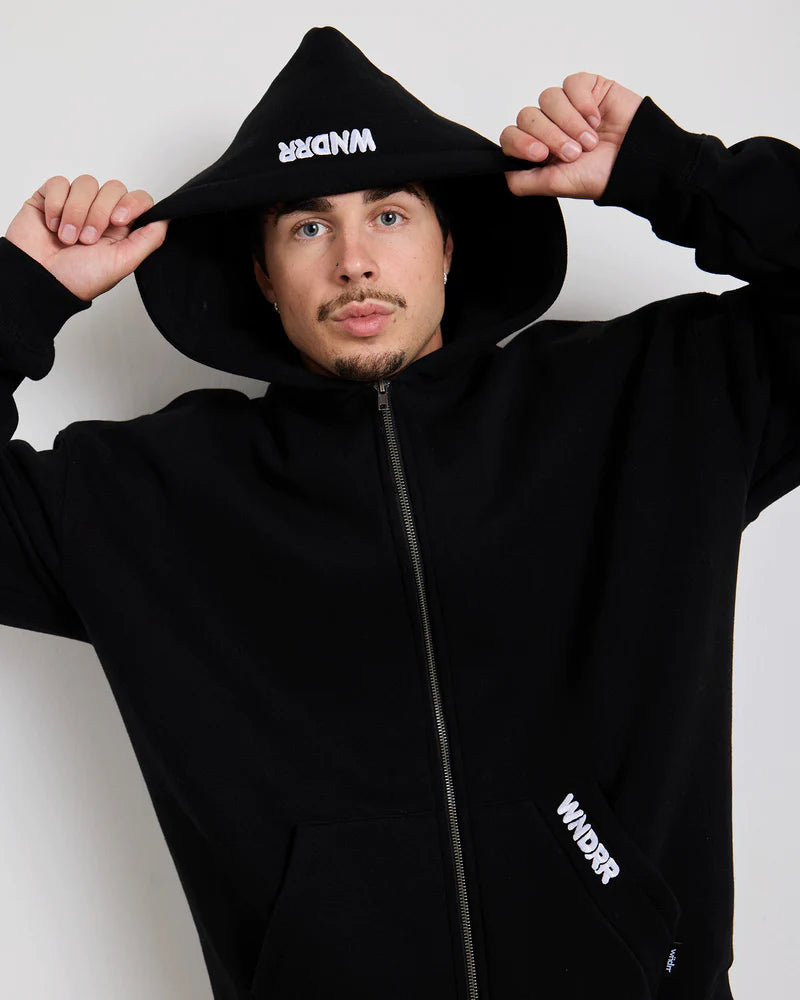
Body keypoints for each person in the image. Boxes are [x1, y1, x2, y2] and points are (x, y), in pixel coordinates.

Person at [1, 23, 797, 1000]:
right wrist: (17, 296)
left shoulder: (650, 402)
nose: (353, 261)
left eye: (388, 215)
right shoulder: (147, 499)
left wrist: (677, 175)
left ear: (448, 243)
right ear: (262, 274)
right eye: (307, 227)